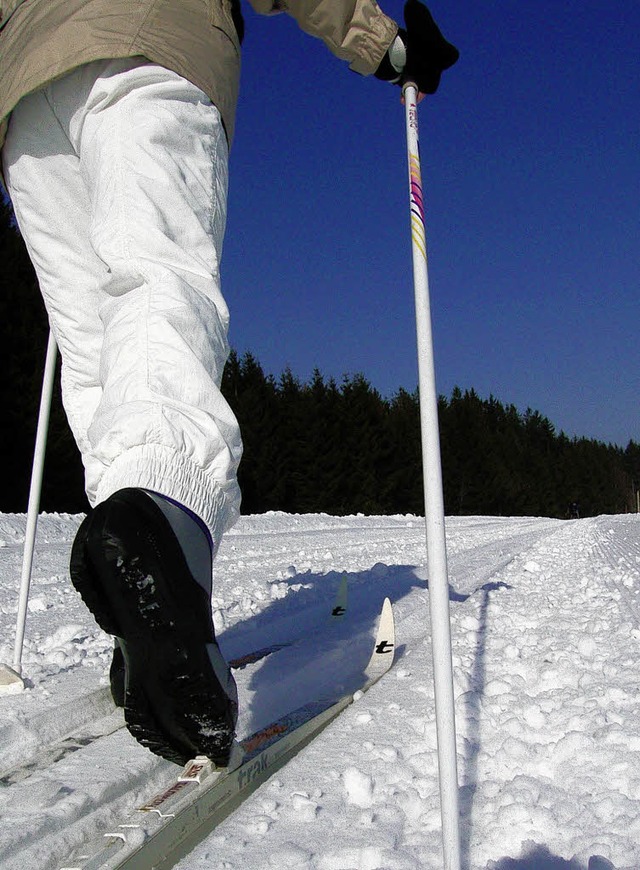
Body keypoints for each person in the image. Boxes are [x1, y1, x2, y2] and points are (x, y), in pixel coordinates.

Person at [0, 0, 458, 767]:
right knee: (156, 278)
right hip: (151, 39)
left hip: (24, 92)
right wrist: (389, 48)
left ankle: (141, 612)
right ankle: (162, 536)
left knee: (95, 355)